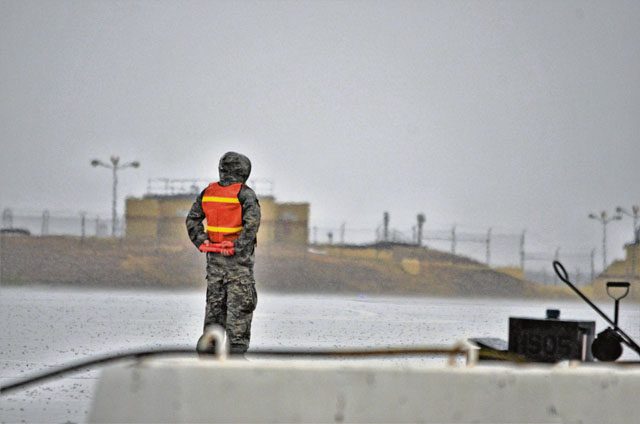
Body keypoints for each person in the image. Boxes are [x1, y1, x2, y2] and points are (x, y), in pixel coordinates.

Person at [186, 152, 261, 355]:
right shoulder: (245, 194)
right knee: (241, 307)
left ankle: (209, 350)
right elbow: (252, 224)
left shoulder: (208, 192)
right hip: (238, 265)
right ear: (244, 171)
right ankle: (236, 353)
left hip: (215, 264)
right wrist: (238, 246)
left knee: (215, 308)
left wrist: (202, 242)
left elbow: (192, 220)